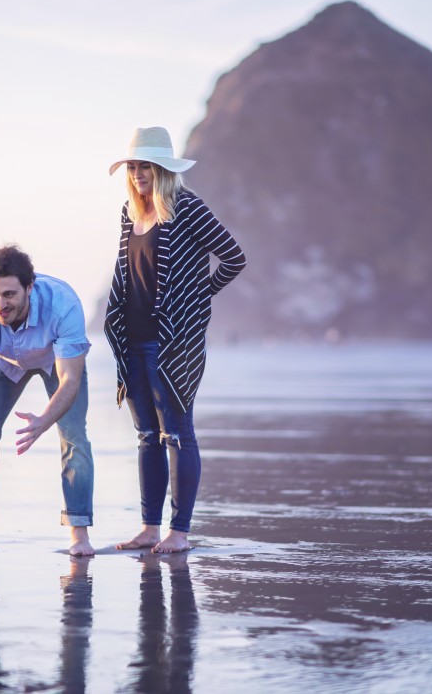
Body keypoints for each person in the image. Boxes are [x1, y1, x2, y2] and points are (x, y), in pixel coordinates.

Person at [104, 126, 247, 554]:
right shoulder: (129, 213)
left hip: (172, 343)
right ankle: (149, 528)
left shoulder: (186, 206)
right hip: (131, 339)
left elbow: (234, 258)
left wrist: (193, 297)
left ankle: (178, 532)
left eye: (145, 165)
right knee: (148, 435)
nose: (138, 173)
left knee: (177, 434)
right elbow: (128, 275)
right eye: (132, 166)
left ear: (163, 168)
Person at [0, 245, 96, 556]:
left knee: (74, 437)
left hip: (56, 362)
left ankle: (79, 534)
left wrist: (44, 421)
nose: (0, 305)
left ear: (30, 287)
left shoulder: (63, 305)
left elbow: (70, 380)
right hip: (3, 362)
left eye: (9, 295)